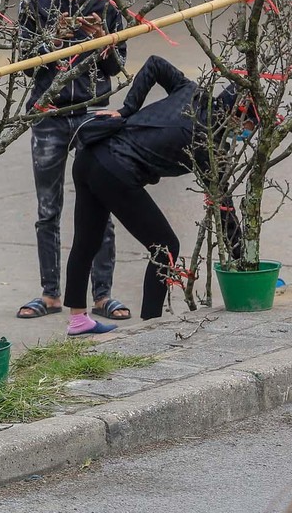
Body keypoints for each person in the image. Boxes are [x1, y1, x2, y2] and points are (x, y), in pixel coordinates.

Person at [63, 55, 254, 335]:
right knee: (165, 246)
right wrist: (245, 263)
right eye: (249, 126)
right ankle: (149, 327)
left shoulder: (191, 91)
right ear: (239, 112)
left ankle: (78, 320)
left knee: (87, 241)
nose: (247, 133)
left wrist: (128, 109)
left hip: (89, 155)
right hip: (115, 169)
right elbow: (224, 210)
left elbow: (154, 63)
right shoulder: (208, 144)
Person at [16, 0, 128, 322]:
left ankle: (103, 295)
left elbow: (117, 66)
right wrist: (53, 40)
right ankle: (50, 294)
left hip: (93, 114)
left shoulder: (107, 5)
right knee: (48, 209)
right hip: (49, 114)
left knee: (101, 205)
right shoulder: (35, 5)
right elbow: (25, 64)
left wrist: (102, 40)